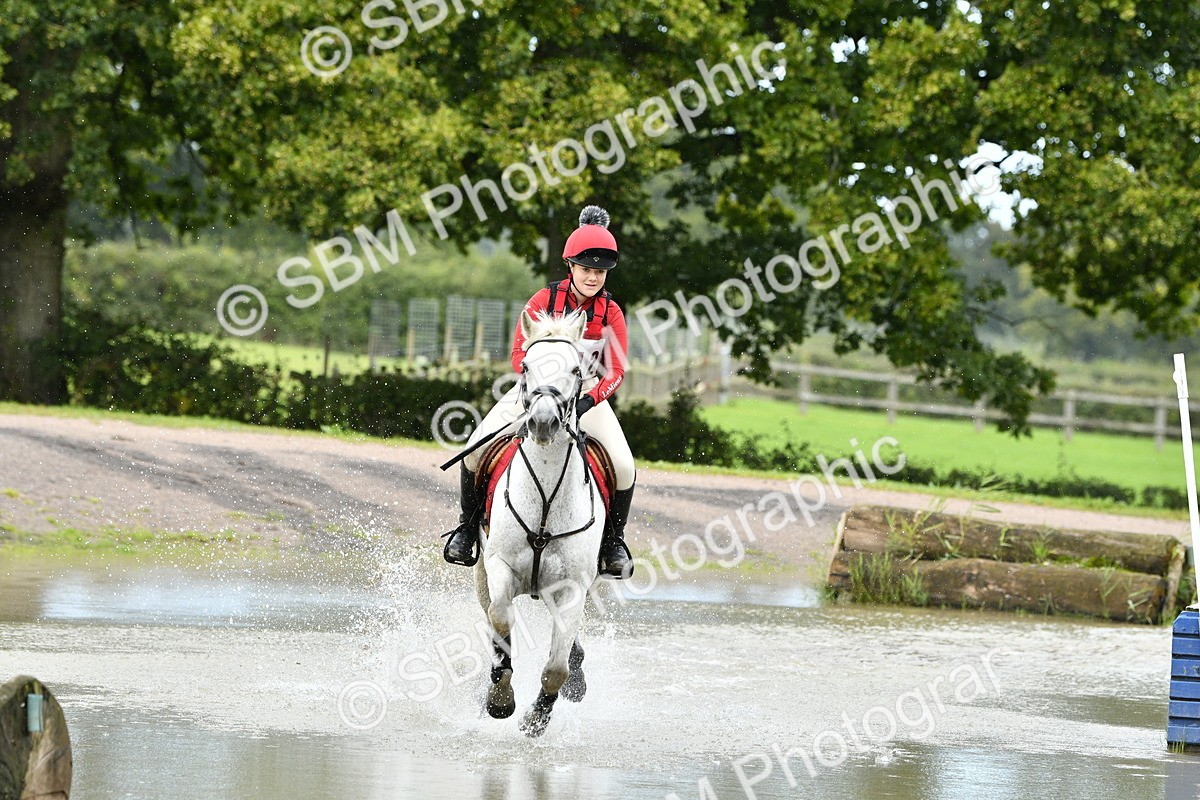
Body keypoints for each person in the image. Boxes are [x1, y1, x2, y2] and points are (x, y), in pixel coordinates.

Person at [441, 205, 636, 578]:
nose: (593, 277)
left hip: (587, 395)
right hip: (536, 390)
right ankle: (466, 529)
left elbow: (617, 370)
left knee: (625, 465)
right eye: (586, 269)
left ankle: (613, 541)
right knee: (475, 446)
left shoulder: (611, 312)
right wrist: (539, 387)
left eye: (599, 271)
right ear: (571, 267)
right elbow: (518, 353)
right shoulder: (542, 300)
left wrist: (586, 400)